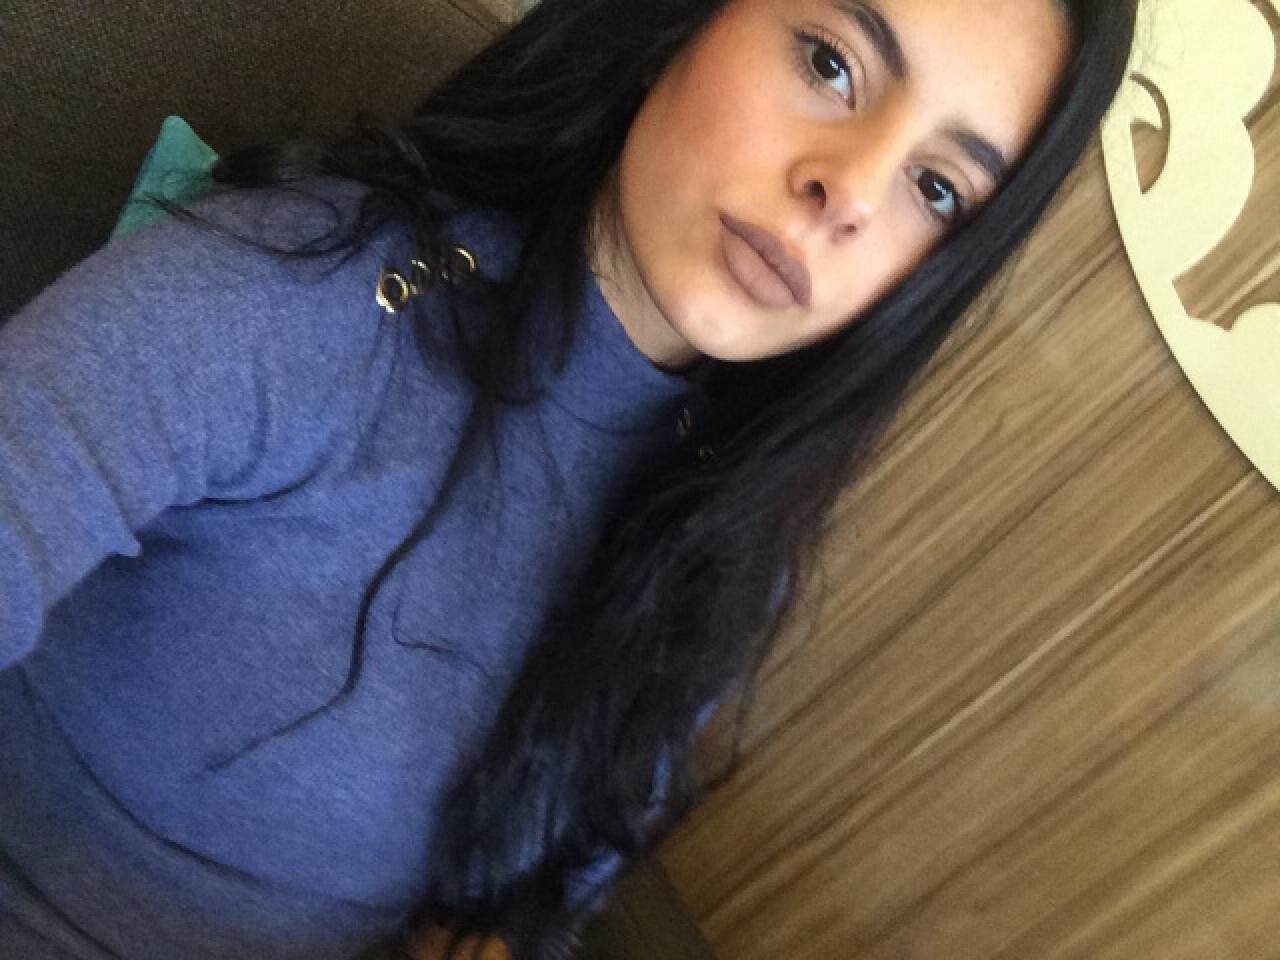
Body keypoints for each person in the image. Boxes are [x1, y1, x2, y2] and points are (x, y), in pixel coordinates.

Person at [0, 0, 1138, 958]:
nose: (849, 192)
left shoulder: (721, 531)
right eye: (831, 64)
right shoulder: (295, 301)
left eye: (936, 189)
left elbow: (529, 901)